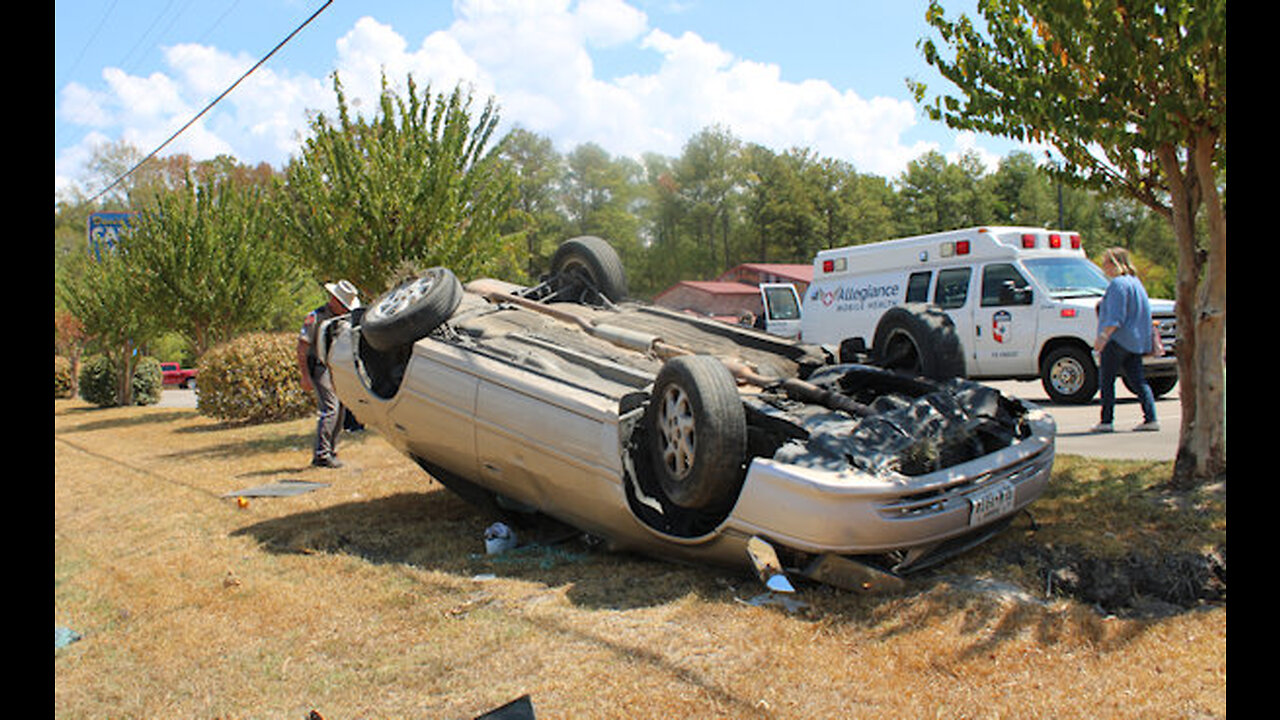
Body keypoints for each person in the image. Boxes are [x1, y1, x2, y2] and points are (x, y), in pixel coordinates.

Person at [1091, 248, 1159, 433]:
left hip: (1117, 340)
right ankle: (1150, 417)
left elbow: (1116, 316)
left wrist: (1103, 337)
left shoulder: (1117, 285)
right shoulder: (1136, 283)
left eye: (1106, 263)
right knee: (1138, 380)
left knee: (1107, 380)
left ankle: (1106, 421)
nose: (1104, 267)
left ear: (1115, 264)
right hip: (1135, 341)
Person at [297, 280, 361, 467]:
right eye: (343, 305)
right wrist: (305, 376)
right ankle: (321, 455)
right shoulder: (316, 317)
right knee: (330, 408)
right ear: (334, 299)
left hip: (336, 367)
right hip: (319, 367)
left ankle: (330, 450)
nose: (345, 309)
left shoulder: (344, 318)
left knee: (341, 408)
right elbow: (302, 347)